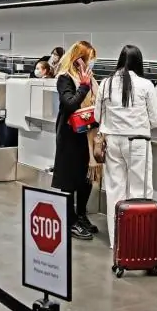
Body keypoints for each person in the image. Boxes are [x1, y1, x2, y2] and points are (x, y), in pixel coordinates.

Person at [94, 45, 157, 249]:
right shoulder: (145, 85)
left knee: (115, 191)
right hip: (137, 142)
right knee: (139, 190)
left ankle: (117, 241)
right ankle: (137, 240)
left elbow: (98, 116)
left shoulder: (105, 83)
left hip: (112, 141)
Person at [51, 41, 100, 240]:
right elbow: (70, 104)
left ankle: (81, 215)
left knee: (86, 178)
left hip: (87, 135)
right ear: (78, 59)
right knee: (70, 179)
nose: (91, 63)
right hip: (70, 135)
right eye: (89, 58)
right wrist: (84, 86)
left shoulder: (89, 78)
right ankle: (69, 220)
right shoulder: (64, 78)